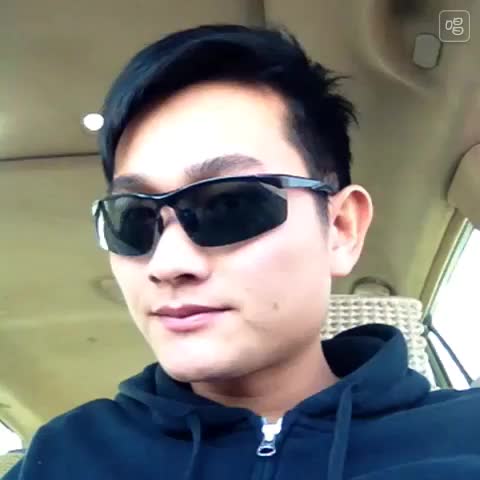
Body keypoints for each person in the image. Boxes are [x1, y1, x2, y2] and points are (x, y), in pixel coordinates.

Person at [5, 25, 480, 480]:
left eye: (230, 205)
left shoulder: (464, 440)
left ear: (341, 228)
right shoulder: (64, 457)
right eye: (134, 218)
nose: (167, 263)